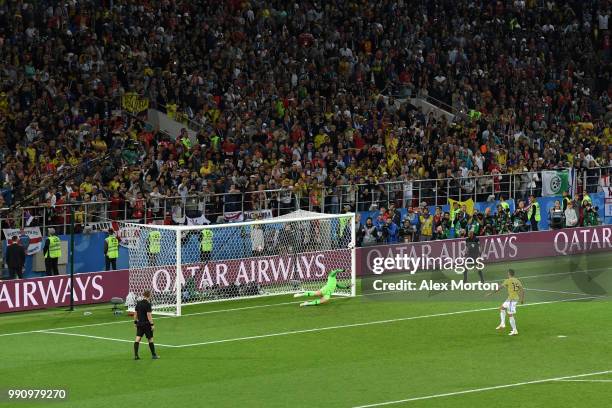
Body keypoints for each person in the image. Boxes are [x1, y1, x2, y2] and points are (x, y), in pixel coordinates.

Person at [488, 269, 524, 336]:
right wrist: (522, 299)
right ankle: (502, 324)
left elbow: (499, 288)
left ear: (509, 274)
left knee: (510, 315)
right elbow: (522, 290)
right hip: (512, 298)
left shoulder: (507, 280)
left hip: (512, 300)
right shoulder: (517, 280)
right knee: (502, 308)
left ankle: (515, 330)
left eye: (507, 273)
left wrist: (491, 293)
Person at [133, 290, 159, 360]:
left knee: (137, 339)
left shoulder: (138, 303)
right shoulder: (148, 304)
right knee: (150, 339)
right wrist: (152, 324)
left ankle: (136, 355)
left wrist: (135, 322)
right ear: (149, 296)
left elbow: (135, 314)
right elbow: (149, 315)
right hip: (147, 324)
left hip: (140, 324)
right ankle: (153, 355)